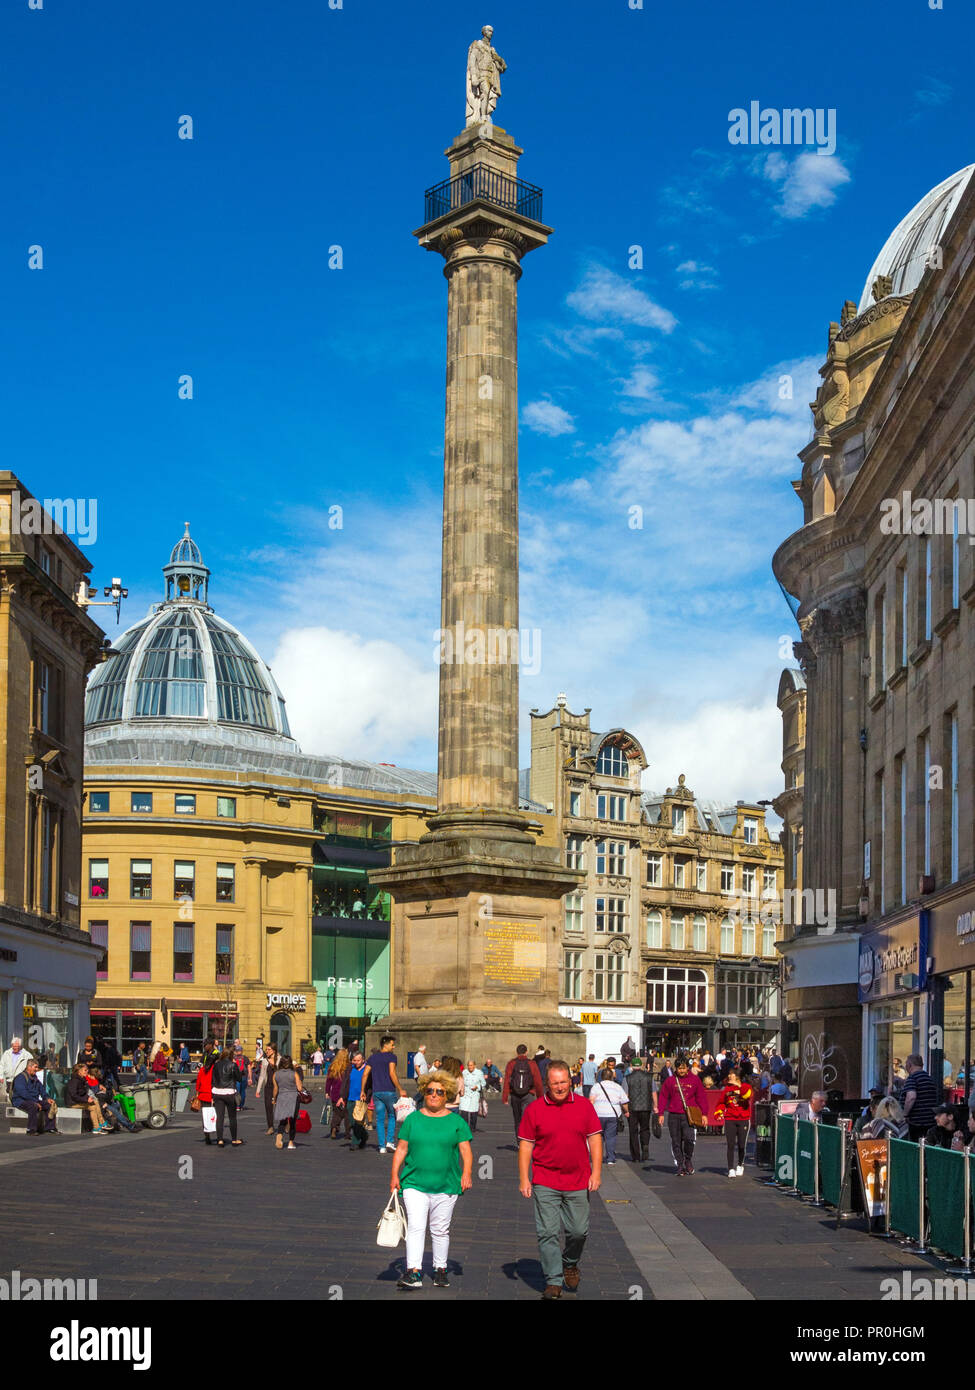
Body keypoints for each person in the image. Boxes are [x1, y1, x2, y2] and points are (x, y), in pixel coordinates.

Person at [518, 1060, 602, 1300]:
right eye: (555, 1083)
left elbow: (595, 1140)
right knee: (548, 1232)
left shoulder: (584, 1106)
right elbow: (526, 1146)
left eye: (564, 1081)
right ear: (547, 1083)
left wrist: (596, 1172)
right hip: (545, 1178)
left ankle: (570, 1262)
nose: (560, 1087)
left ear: (571, 1081)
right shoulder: (534, 1109)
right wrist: (524, 1178)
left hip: (577, 1179)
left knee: (578, 1231)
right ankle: (553, 1280)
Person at [391, 1069, 473, 1290]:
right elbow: (401, 1149)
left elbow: (466, 1150)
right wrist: (394, 1175)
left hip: (446, 1184)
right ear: (424, 1093)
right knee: (416, 1227)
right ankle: (414, 1271)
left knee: (440, 1229)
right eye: (430, 1091)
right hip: (413, 1183)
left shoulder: (457, 1122)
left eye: (439, 1091)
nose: (434, 1095)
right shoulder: (412, 1120)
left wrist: (466, 1174)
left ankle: (440, 1269)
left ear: (447, 1095)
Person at [657, 1056, 707, 1176]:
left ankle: (688, 1160)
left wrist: (704, 1114)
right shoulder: (670, 1081)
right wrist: (661, 1113)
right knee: (676, 1141)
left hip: (689, 1115)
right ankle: (680, 1165)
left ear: (688, 1068)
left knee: (690, 1139)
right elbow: (663, 1097)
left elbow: (701, 1097)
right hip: (674, 1115)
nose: (682, 1071)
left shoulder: (695, 1080)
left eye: (684, 1068)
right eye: (679, 1069)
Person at [362, 1035, 406, 1154]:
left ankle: (381, 1146)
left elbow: (365, 1074)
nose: (394, 1046)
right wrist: (400, 1088)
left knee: (380, 1120)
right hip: (389, 1091)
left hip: (377, 1092)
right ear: (385, 1045)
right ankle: (390, 1143)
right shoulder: (391, 1057)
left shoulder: (372, 1058)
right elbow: (392, 1073)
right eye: (392, 1044)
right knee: (392, 1116)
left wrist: (362, 1091)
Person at [715, 1068, 752, 1177]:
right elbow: (721, 1103)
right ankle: (730, 1168)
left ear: (737, 1076)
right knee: (730, 1144)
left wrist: (737, 1087)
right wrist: (719, 1112)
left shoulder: (746, 1087)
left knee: (741, 1145)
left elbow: (747, 1095)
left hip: (743, 1119)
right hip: (730, 1119)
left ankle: (740, 1164)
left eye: (731, 1074)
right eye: (729, 1074)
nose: (729, 1076)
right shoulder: (726, 1089)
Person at [589, 1066, 629, 1165]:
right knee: (610, 1137)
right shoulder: (617, 1087)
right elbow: (624, 1101)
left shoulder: (596, 1086)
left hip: (598, 1115)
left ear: (601, 1077)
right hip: (612, 1115)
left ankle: (598, 1157)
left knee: (598, 1137)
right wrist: (626, 1111)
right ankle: (610, 1158)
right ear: (612, 1077)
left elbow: (591, 1101)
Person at [502, 1044, 544, 1137]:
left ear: (517, 1052)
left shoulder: (511, 1063)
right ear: (526, 1052)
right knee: (528, 1118)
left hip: (515, 1095)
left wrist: (505, 1097)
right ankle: (527, 1139)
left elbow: (507, 1081)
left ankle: (519, 1142)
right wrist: (540, 1097)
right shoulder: (532, 1064)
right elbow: (538, 1081)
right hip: (528, 1094)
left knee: (517, 1120)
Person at [12, 1059, 58, 1135]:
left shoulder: (35, 1078)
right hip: (20, 1100)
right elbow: (23, 1094)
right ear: (29, 1067)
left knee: (49, 1105)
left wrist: (47, 1098)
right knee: (33, 1106)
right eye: (35, 1067)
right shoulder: (21, 1077)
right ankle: (31, 1129)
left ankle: (50, 1128)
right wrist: (35, 1102)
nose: (37, 1069)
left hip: (33, 1099)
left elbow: (41, 1089)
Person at [211, 1047, 244, 1147]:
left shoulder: (216, 1065)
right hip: (229, 1093)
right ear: (230, 1055)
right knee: (232, 1117)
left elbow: (213, 1080)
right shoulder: (233, 1065)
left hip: (217, 1092)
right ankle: (234, 1140)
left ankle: (220, 1140)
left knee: (219, 1118)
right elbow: (239, 1079)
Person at [66, 1063, 111, 1133]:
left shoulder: (82, 1080)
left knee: (95, 1101)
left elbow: (83, 1092)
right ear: (79, 1071)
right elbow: (73, 1095)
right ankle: (97, 1126)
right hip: (72, 1103)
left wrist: (88, 1098)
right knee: (92, 1107)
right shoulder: (74, 1081)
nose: (87, 1071)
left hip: (78, 1101)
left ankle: (101, 1123)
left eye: (87, 1070)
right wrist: (86, 1099)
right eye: (85, 1070)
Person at [902, 1054, 938, 1141]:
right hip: (930, 1121)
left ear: (910, 1065)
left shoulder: (912, 1078)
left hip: (916, 1122)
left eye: (906, 1063)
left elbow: (911, 1097)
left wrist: (905, 1114)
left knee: (917, 1148)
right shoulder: (929, 1079)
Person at [338, 1051, 370, 1150]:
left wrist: (368, 1095)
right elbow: (344, 1083)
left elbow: (370, 1085)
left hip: (361, 1099)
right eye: (354, 1060)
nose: (355, 1062)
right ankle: (364, 1135)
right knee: (351, 1121)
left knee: (358, 1121)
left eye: (358, 1060)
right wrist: (342, 1097)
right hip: (350, 1098)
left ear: (363, 1060)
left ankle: (354, 1142)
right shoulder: (349, 1069)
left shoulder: (367, 1069)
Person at [272, 1053, 303, 1151]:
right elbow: (300, 1088)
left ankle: (279, 1135)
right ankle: (290, 1142)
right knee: (292, 1121)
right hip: (293, 1097)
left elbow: (275, 1089)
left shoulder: (276, 1074)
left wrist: (274, 1099)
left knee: (283, 1119)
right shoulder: (294, 1073)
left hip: (281, 1097)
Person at [325, 1049, 351, 1141]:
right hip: (347, 1093)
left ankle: (334, 1128)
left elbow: (329, 1081)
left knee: (337, 1112)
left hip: (335, 1093)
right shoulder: (349, 1066)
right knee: (348, 1114)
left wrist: (327, 1092)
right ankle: (348, 1133)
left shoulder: (333, 1066)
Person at [255, 1043, 278, 1135]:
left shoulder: (279, 1060)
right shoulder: (264, 1061)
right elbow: (262, 1076)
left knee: (280, 1106)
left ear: (274, 1051)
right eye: (266, 1049)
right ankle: (270, 1127)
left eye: (269, 1049)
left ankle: (285, 1124)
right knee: (268, 1107)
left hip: (278, 1086)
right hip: (268, 1086)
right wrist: (258, 1090)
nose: (266, 1051)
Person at [458, 1059, 485, 1133]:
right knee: (464, 1112)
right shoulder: (464, 1072)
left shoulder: (479, 1073)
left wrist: (477, 1087)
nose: (470, 1067)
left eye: (471, 1065)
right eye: (469, 1065)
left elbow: (483, 1083)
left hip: (474, 1094)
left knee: (473, 1112)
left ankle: (473, 1127)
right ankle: (465, 1127)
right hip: (465, 1094)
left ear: (474, 1065)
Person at [196, 1048, 216, 1145]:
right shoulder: (214, 1070)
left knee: (205, 1116)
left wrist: (197, 1092)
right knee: (213, 1115)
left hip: (203, 1095)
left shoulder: (202, 1070)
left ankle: (206, 1133)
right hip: (211, 1095)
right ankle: (215, 1131)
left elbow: (198, 1083)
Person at [233, 1043, 251, 1111]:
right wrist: (250, 1078)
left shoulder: (234, 1058)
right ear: (242, 1051)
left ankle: (237, 1106)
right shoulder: (245, 1058)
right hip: (244, 1076)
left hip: (236, 1077)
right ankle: (241, 1105)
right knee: (242, 1091)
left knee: (237, 1091)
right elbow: (249, 1068)